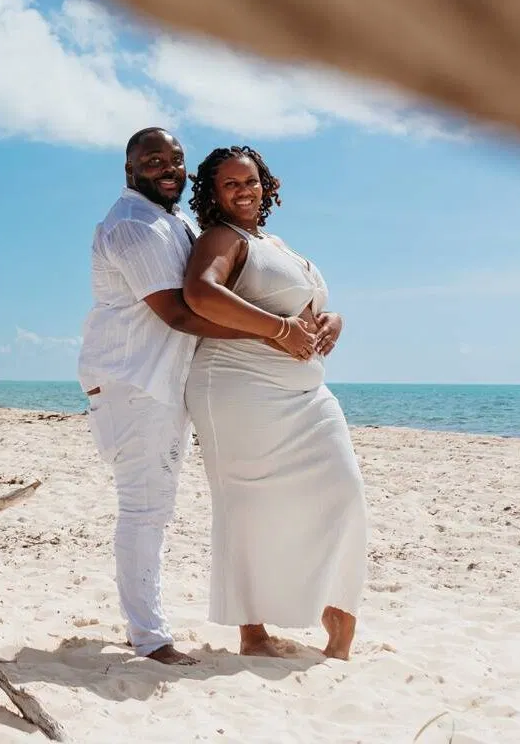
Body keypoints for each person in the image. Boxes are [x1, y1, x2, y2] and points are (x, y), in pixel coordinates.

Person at [78, 128, 316, 666]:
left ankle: (148, 629)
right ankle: (150, 639)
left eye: (176, 160)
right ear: (129, 169)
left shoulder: (174, 221)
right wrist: (275, 333)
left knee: (154, 509)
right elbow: (183, 313)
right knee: (144, 509)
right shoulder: (135, 227)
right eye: (153, 160)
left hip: (160, 382)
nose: (168, 168)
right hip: (131, 380)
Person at [182, 145, 368, 660]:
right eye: (230, 184)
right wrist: (279, 329)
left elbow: (313, 305)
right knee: (246, 506)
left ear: (266, 184)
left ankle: (339, 628)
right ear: (214, 194)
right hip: (237, 386)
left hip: (306, 391)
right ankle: (253, 634)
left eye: (251, 180)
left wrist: (334, 320)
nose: (244, 190)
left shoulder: (277, 243)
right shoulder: (222, 238)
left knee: (343, 491)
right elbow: (199, 292)